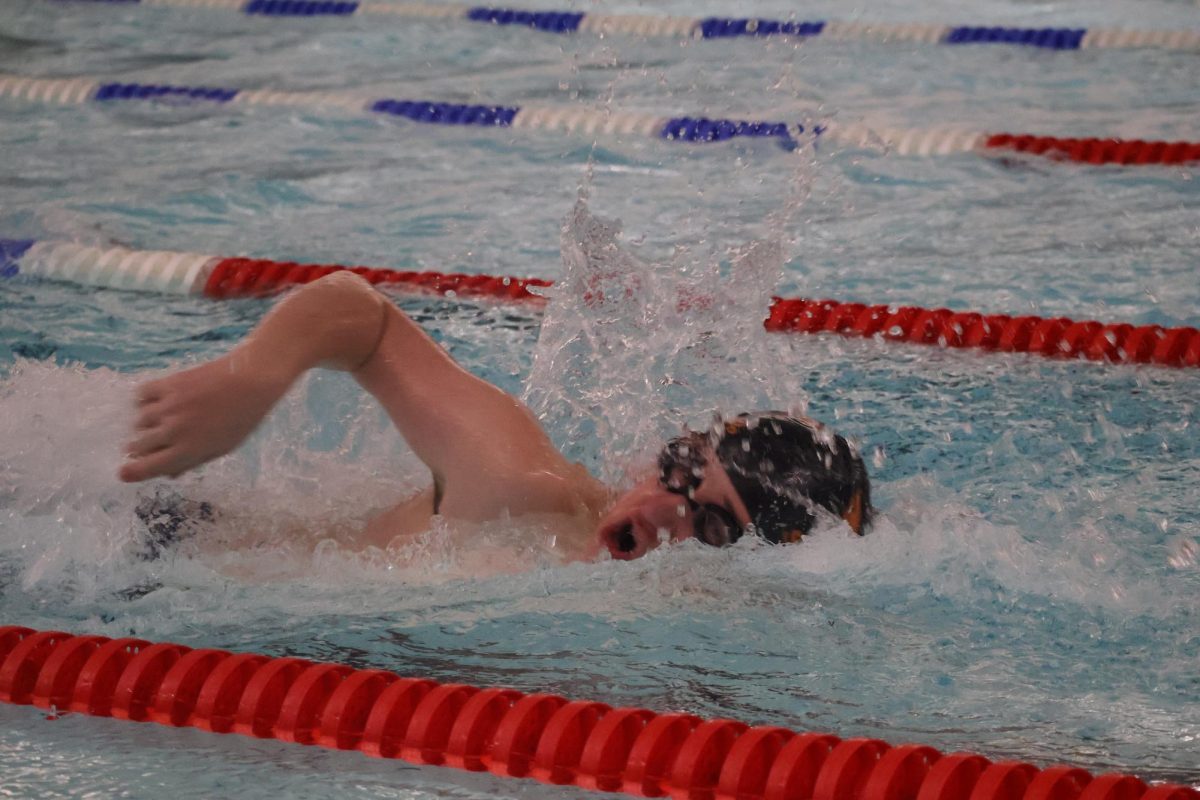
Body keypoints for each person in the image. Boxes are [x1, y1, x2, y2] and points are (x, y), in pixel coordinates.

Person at [120, 272, 871, 561]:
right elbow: (360, 316)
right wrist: (250, 380)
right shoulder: (521, 489)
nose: (661, 511)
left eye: (710, 527)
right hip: (150, 549)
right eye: (680, 473)